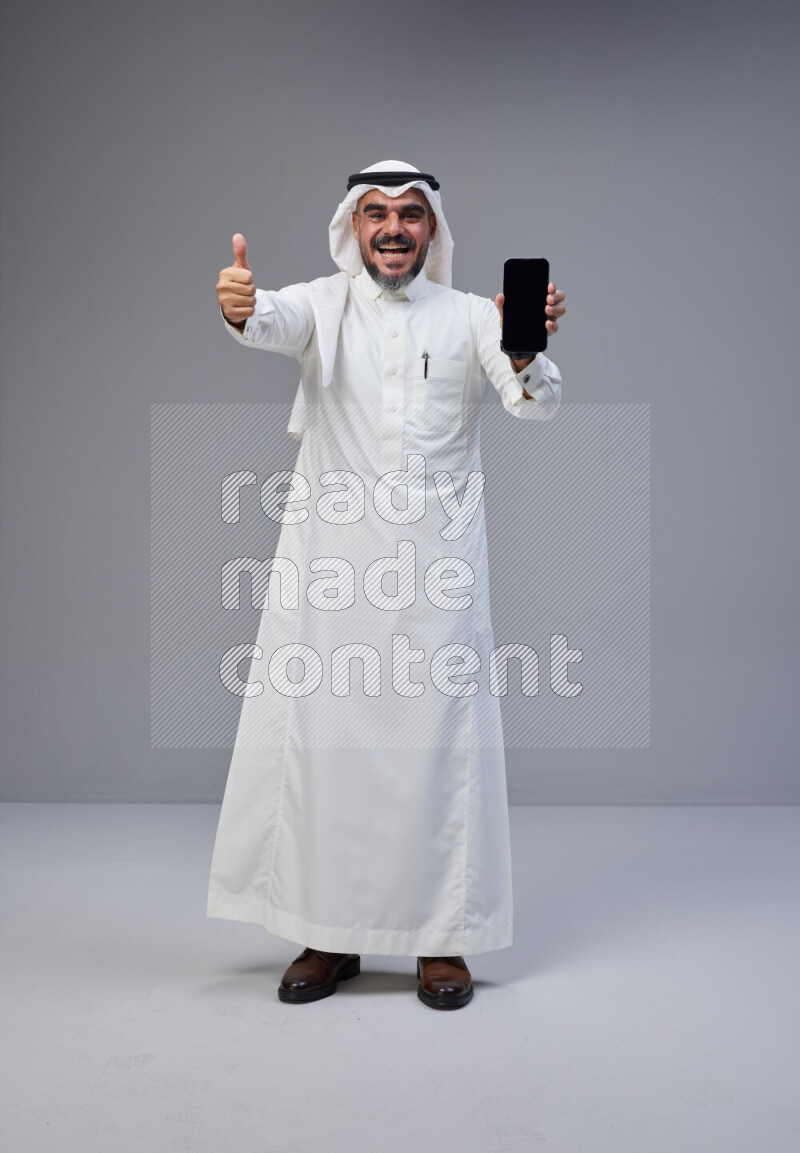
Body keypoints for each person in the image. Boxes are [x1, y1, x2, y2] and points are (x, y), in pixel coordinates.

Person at [208, 159, 566, 1010]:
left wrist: (525, 350)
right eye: (376, 213)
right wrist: (239, 306)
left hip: (437, 581)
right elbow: (266, 319)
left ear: (433, 229)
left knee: (438, 754)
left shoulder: (476, 314)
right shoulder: (319, 305)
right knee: (329, 755)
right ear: (352, 227)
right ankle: (327, 934)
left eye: (410, 213)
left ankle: (442, 941)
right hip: (330, 577)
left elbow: (535, 402)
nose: (394, 227)